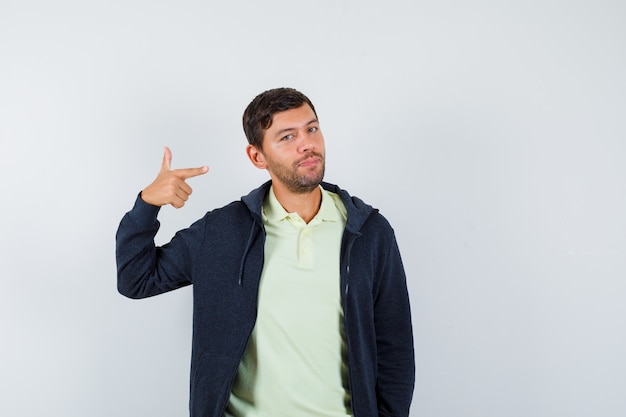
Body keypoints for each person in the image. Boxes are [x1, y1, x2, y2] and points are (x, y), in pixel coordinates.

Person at [116, 87, 415, 417]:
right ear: (258, 156)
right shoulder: (221, 231)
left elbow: (395, 347)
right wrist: (146, 205)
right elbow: (137, 280)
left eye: (311, 129)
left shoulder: (370, 232)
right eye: (287, 137)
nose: (307, 144)